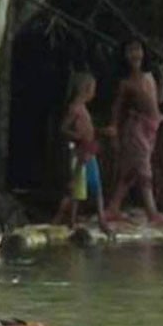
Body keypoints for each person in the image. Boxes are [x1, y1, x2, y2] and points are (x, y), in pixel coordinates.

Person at [105, 39, 163, 225]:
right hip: (137, 129)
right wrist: (113, 128)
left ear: (143, 52)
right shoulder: (126, 83)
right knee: (143, 168)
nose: (134, 54)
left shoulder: (150, 76)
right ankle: (152, 213)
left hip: (152, 126)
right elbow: (117, 109)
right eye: (130, 51)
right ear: (124, 56)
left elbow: (158, 100)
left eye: (137, 50)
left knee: (131, 171)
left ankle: (113, 207)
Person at [52, 71, 112, 235]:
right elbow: (63, 129)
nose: (94, 92)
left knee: (95, 187)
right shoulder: (75, 109)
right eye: (93, 89)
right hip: (80, 153)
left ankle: (101, 219)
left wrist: (101, 131)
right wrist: (77, 136)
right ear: (85, 89)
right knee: (77, 190)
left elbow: (88, 130)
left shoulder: (83, 109)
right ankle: (71, 220)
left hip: (89, 151)